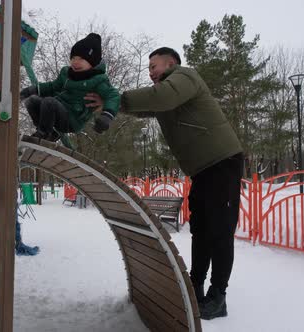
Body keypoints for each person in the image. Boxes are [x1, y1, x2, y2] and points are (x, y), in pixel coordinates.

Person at [85, 47, 243, 320]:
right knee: (201, 230)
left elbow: (162, 97)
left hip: (222, 162)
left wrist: (118, 98)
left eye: (154, 66)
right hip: (203, 170)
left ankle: (218, 297)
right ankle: (195, 286)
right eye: (149, 69)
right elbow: (147, 105)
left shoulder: (184, 77)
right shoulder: (168, 95)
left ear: (171, 63)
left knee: (219, 231)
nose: (150, 72)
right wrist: (110, 103)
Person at [20, 33, 120, 141]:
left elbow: (113, 95)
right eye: (73, 58)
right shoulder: (66, 73)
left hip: (73, 119)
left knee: (49, 102)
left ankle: (44, 134)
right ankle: (49, 132)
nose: (75, 62)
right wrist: (33, 89)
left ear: (93, 62)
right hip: (57, 110)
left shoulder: (98, 80)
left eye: (81, 59)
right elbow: (53, 87)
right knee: (32, 101)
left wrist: (107, 115)